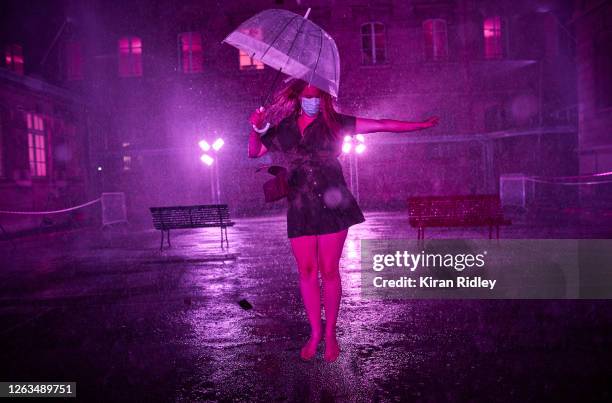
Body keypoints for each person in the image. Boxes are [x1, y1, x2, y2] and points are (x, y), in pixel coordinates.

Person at [248, 78, 439, 362]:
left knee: (328, 270)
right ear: (299, 97)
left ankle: (330, 334)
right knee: (307, 272)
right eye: (308, 96)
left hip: (333, 204)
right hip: (300, 206)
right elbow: (254, 151)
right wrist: (255, 126)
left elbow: (382, 124)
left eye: (317, 96)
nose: (312, 100)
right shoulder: (285, 128)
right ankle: (315, 333)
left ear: (324, 98)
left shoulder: (335, 123)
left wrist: (419, 125)